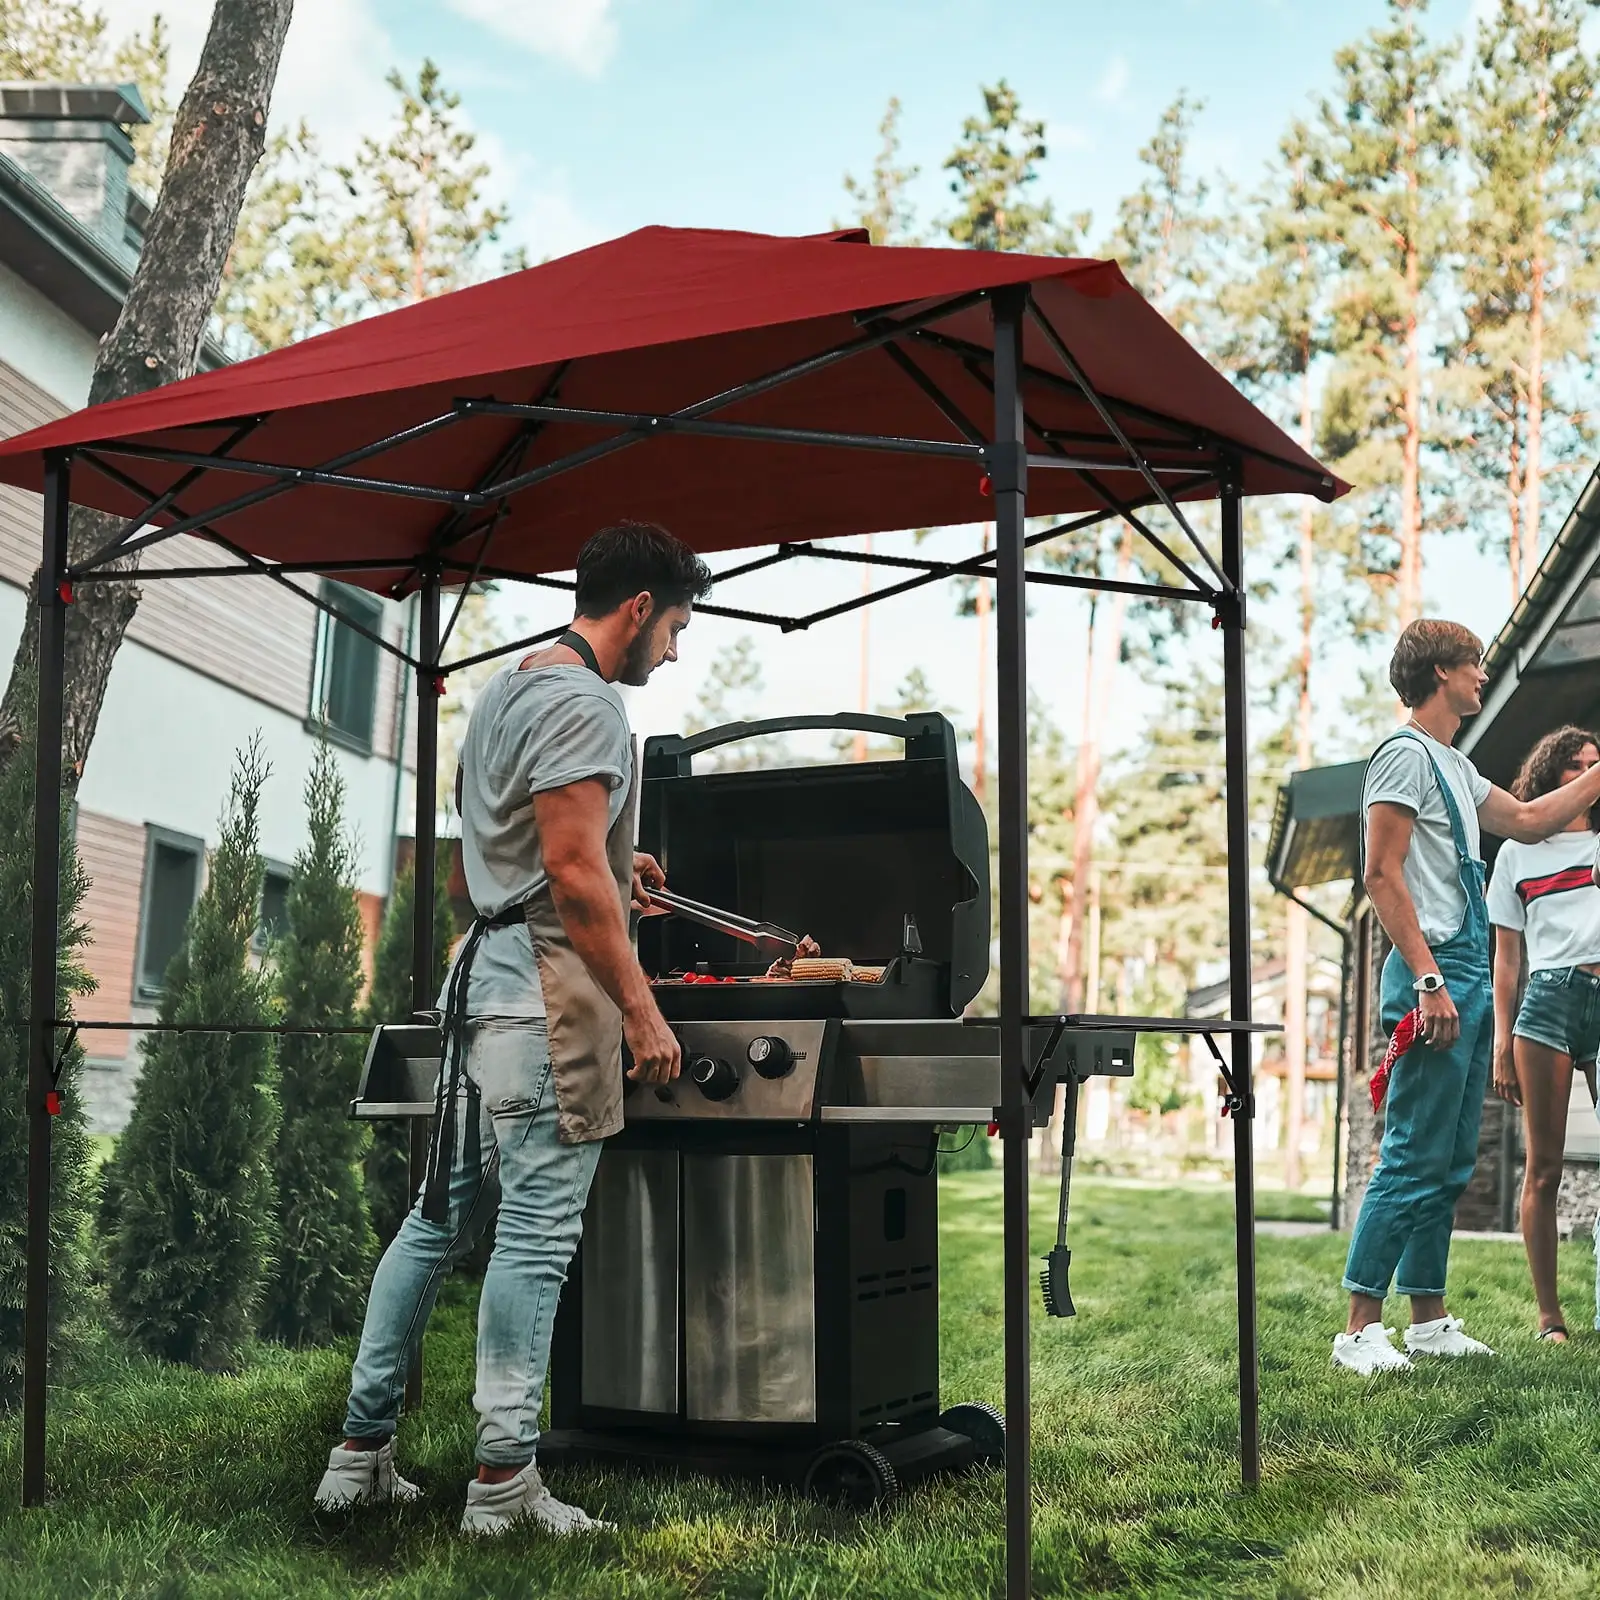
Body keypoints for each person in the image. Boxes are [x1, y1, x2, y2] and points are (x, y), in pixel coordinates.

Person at [314, 521, 712, 1533]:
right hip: (539, 1000)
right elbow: (570, 872)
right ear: (635, 609)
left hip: (475, 991)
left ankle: (357, 1457)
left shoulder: (507, 688)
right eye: (673, 627)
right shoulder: (585, 702)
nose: (673, 650)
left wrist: (615, 865)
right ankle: (502, 1485)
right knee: (533, 1240)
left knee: (435, 1222)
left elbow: (495, 858)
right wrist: (638, 1006)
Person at [1333, 620, 1600, 1375]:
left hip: (1471, 974)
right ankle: (1359, 1327)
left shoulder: (1453, 762)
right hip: (1434, 969)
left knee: (1451, 1161)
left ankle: (1427, 1319)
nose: (1484, 676)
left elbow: (1526, 818)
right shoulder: (1403, 756)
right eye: (1475, 665)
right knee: (1413, 1152)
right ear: (1441, 672)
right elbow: (1381, 875)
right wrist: (1427, 981)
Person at [1487, 726, 1600, 1343]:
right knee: (1544, 1169)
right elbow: (1507, 958)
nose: (1587, 775)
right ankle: (1550, 1318)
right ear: (1551, 774)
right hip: (1550, 1002)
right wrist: (1502, 1041)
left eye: (1596, 766)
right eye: (1575, 766)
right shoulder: (1518, 851)